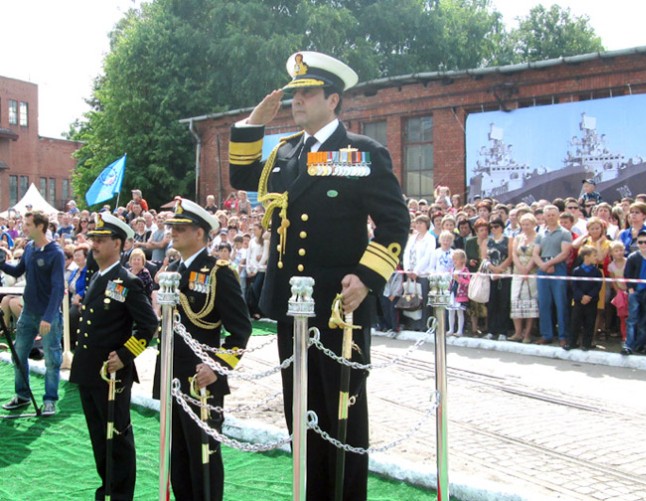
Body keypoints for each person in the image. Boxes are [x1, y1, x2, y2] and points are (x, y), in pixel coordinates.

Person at [228, 51, 410, 501]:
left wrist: (367, 277)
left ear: (333, 100)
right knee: (301, 410)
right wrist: (254, 122)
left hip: (338, 307)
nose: (296, 101)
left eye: (306, 93)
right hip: (294, 306)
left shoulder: (361, 152)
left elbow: (394, 222)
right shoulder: (287, 151)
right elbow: (241, 176)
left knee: (341, 412)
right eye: (293, 94)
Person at [153, 198, 252, 500]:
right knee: (179, 459)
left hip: (201, 382)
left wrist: (217, 367)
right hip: (173, 375)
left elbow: (240, 329)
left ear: (200, 233)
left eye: (181, 228)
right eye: (172, 227)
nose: (174, 232)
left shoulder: (217, 272)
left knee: (204, 460)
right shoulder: (172, 271)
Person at [69, 213, 158, 500]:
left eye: (100, 239)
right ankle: (106, 487)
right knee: (98, 436)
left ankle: (120, 495)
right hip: (89, 371)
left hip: (111, 375)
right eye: (93, 238)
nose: (93, 244)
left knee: (117, 437)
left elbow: (148, 325)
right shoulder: (96, 276)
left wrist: (124, 355)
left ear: (118, 244)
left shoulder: (126, 281)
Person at [1, 211, 65, 416]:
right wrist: (1, 262)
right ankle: (22, 396)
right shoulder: (29, 248)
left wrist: (47, 317)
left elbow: (57, 288)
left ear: (40, 227)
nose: (24, 228)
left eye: (28, 224)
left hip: (49, 315)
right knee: (18, 354)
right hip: (28, 312)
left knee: (51, 359)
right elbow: (17, 270)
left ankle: (50, 400)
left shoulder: (55, 252)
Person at [532, 205, 572, 346]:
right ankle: (546, 334)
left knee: (561, 303)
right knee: (544, 303)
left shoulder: (565, 233)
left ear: (558, 215)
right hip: (543, 268)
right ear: (544, 216)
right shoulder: (540, 234)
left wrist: (549, 264)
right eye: (548, 215)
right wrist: (542, 265)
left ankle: (563, 336)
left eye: (553, 214)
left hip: (558, 268)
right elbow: (535, 253)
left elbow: (565, 253)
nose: (550, 217)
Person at [621, 230, 646, 356]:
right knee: (632, 319)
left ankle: (640, 344)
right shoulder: (633, 257)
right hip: (635, 292)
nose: (643, 245)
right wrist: (630, 289)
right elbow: (627, 274)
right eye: (640, 242)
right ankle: (628, 344)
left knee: (644, 320)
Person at [509, 213, 538, 343]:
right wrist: (521, 268)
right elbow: (514, 254)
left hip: (531, 273)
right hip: (517, 272)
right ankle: (517, 332)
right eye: (523, 224)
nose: (525, 227)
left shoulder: (538, 238)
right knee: (515, 300)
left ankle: (527, 334)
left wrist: (527, 269)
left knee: (530, 302)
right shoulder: (518, 237)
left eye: (528, 224)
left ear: (533, 224)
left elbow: (535, 254)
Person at [566, 246, 601, 351]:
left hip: (591, 301)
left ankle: (587, 344)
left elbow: (598, 286)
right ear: (586, 257)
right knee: (575, 322)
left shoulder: (597, 272)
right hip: (578, 301)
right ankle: (572, 342)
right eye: (594, 256)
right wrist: (581, 296)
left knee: (589, 322)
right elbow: (574, 285)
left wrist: (589, 296)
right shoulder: (577, 271)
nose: (596, 258)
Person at [447, 249, 470, 336]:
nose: (454, 261)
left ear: (462, 260)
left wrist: (459, 279)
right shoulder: (452, 270)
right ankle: (451, 329)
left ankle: (460, 330)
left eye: (456, 259)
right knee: (451, 312)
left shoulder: (465, 271)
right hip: (452, 293)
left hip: (461, 294)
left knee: (460, 312)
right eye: (453, 259)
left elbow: (468, 283)